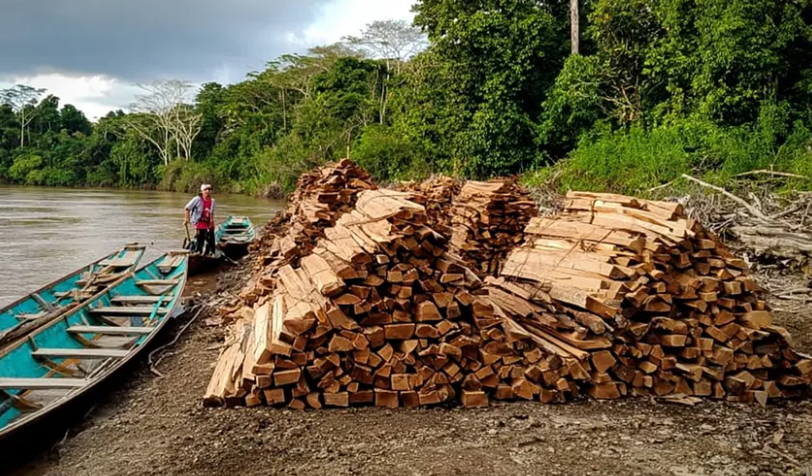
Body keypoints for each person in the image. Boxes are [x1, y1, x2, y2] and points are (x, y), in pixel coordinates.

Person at [184, 184, 216, 255]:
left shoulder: (213, 201)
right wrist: (187, 219)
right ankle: (198, 252)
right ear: (202, 191)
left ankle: (210, 252)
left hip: (208, 222)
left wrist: (212, 222)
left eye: (209, 190)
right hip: (199, 222)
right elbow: (187, 208)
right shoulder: (197, 199)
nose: (207, 191)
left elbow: (211, 213)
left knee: (211, 240)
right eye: (205, 190)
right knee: (200, 240)